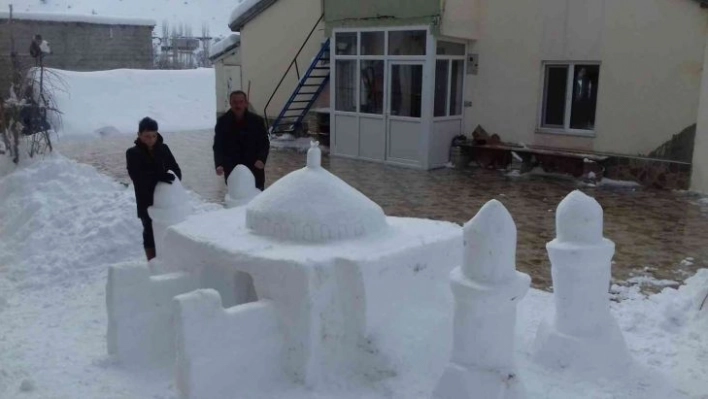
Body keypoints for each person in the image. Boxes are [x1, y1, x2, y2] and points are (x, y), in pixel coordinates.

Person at [126, 117, 182, 261]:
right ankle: (152, 262)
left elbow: (176, 170)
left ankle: (171, 258)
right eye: (147, 136)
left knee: (170, 229)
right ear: (139, 135)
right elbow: (137, 176)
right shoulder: (133, 153)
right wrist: (159, 177)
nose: (151, 139)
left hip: (166, 200)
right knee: (150, 231)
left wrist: (172, 177)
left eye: (154, 136)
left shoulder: (163, 149)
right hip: (146, 199)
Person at [213, 91, 270, 190]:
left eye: (241, 102)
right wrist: (219, 164)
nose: (238, 105)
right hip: (232, 168)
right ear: (230, 103)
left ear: (246, 103)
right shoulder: (222, 122)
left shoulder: (257, 121)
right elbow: (218, 146)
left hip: (254, 167)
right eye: (234, 102)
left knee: (257, 198)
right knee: (237, 197)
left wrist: (261, 159)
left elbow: (264, 143)